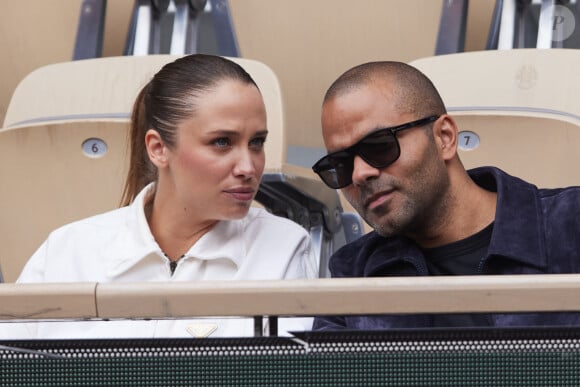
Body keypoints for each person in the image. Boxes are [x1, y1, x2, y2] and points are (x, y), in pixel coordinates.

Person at [8, 54, 318, 338]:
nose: (248, 167)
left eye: (257, 142)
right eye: (222, 142)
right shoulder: (66, 252)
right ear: (158, 149)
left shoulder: (284, 247)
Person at [311, 60, 580, 330]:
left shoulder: (570, 225)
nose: (359, 174)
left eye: (380, 146)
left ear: (445, 137)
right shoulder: (352, 273)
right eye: (340, 165)